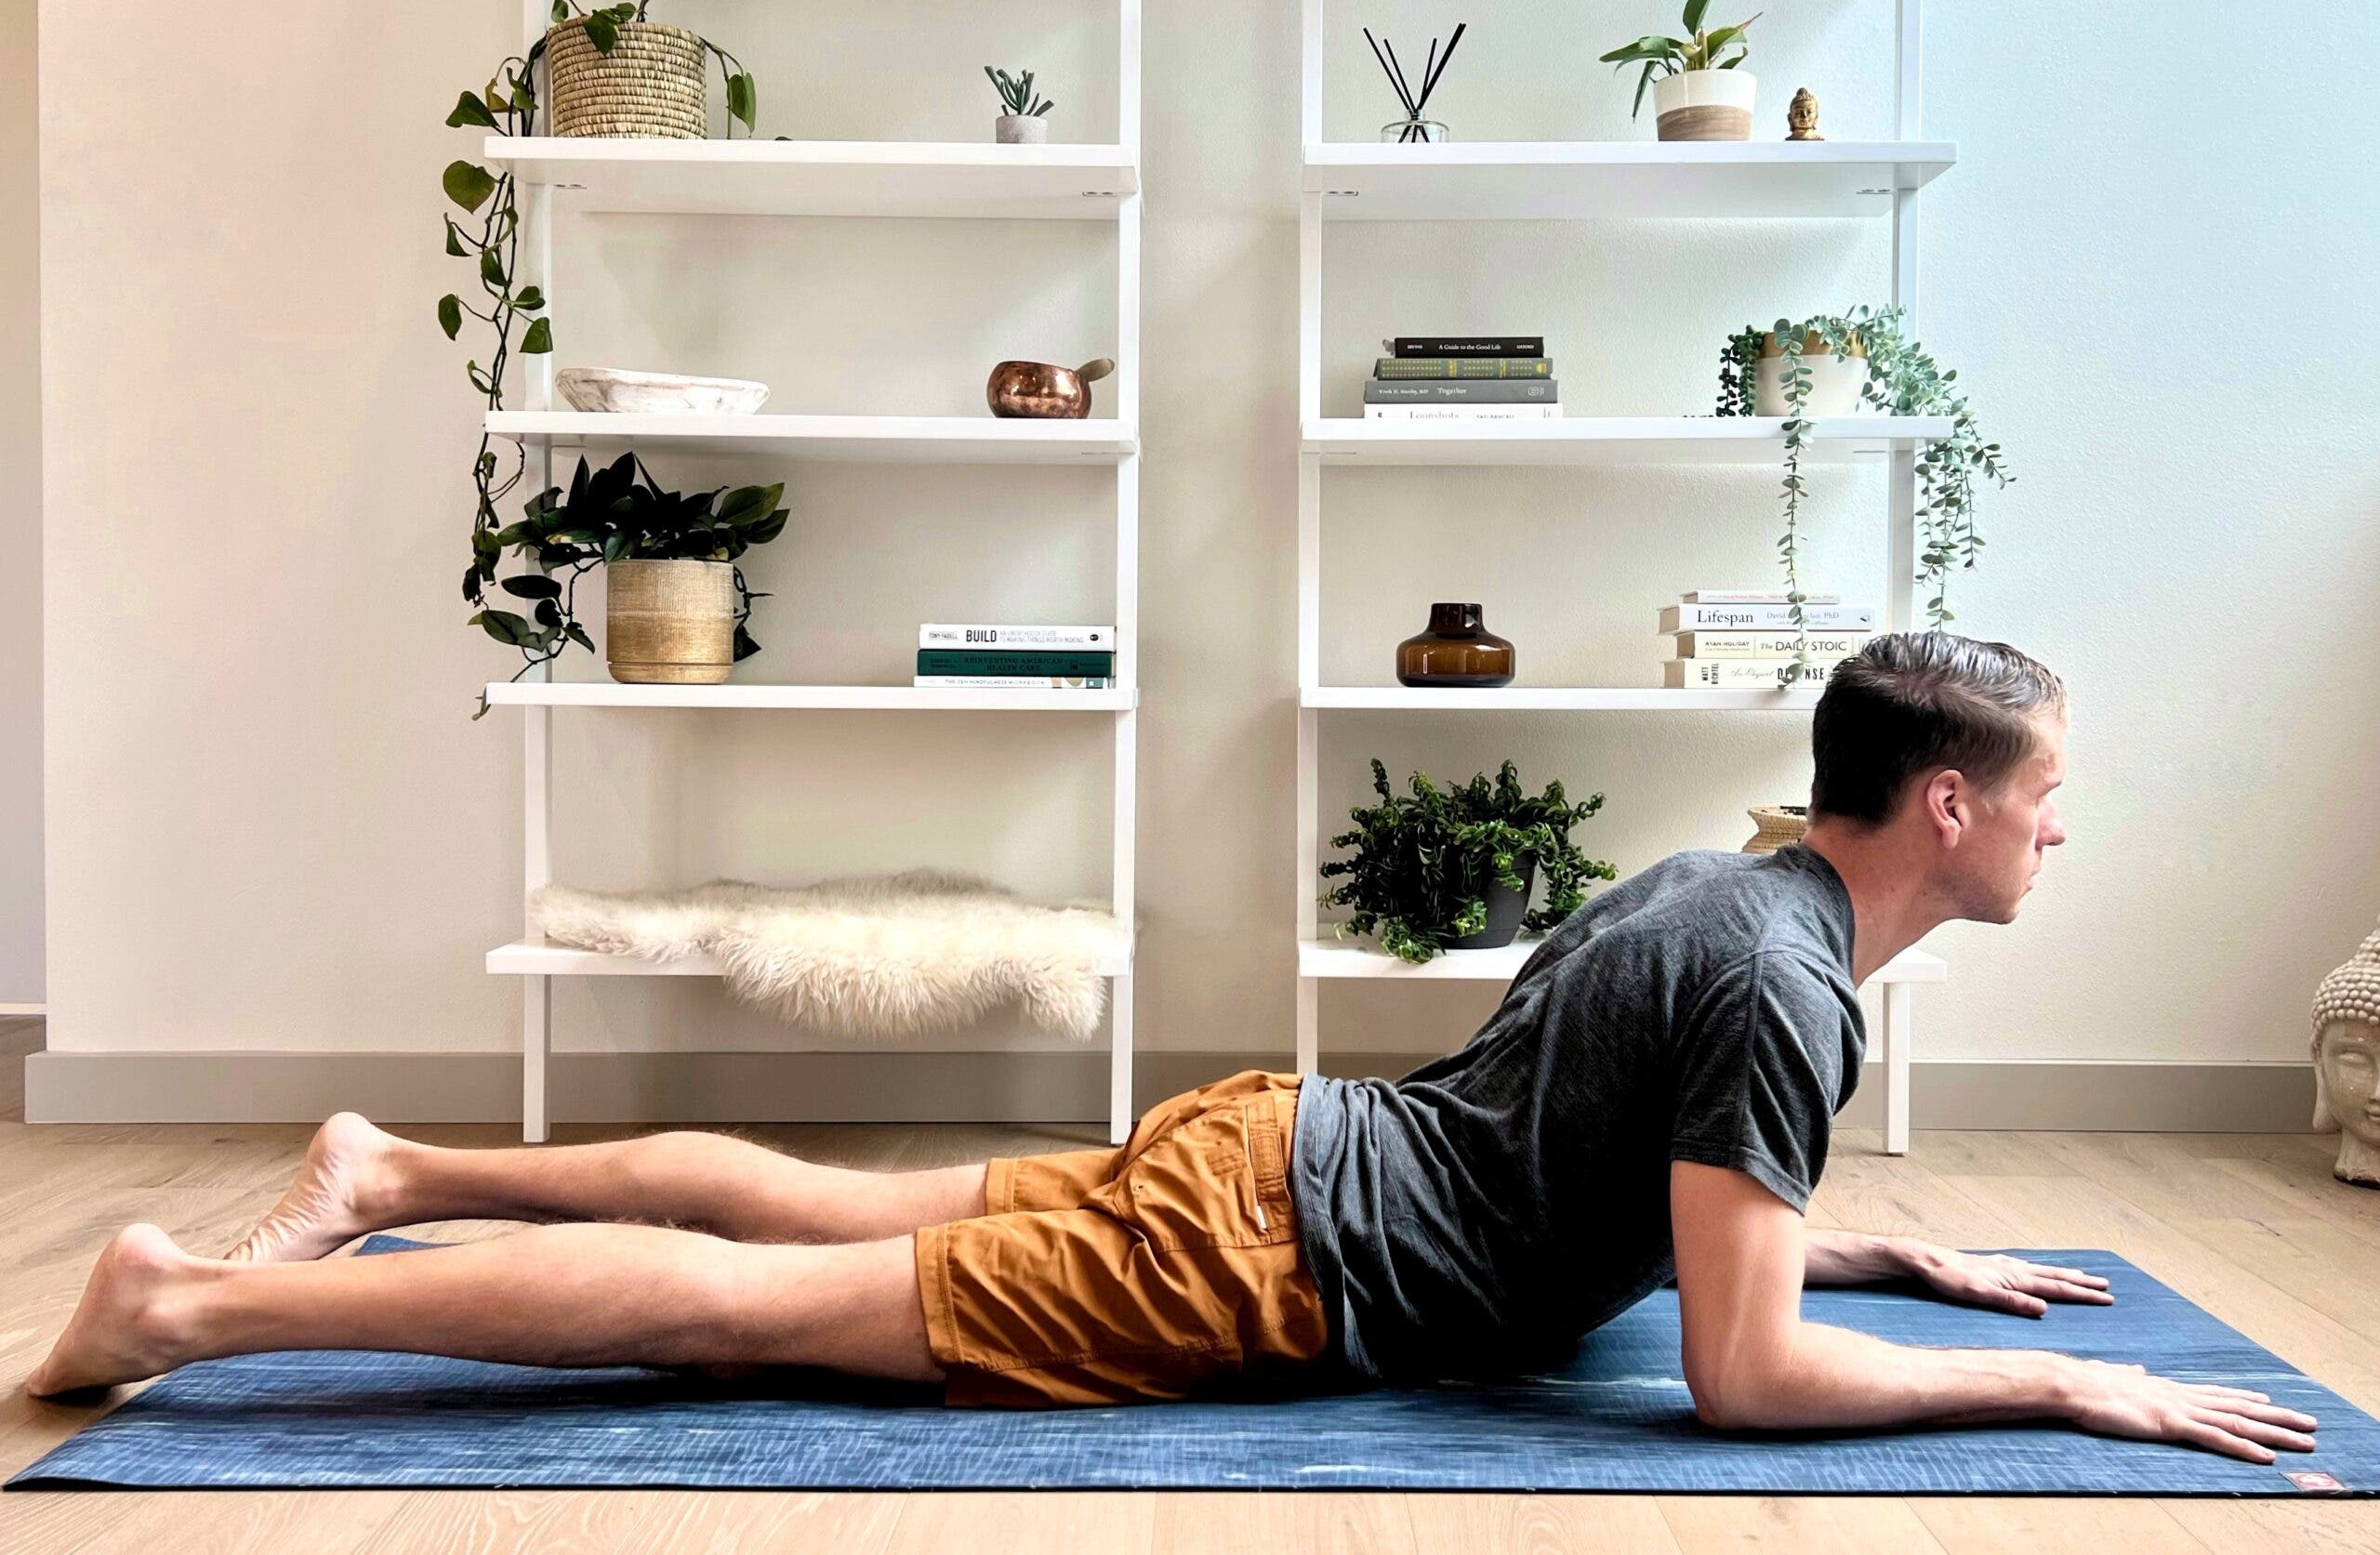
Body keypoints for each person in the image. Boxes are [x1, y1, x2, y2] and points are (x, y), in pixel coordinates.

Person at [27, 635, 2319, 1466]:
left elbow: (1619, 1176)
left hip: (1274, 1150)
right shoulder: (1788, 982)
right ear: (1944, 804)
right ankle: (190, 1308)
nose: (2059, 826)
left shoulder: (1721, 887)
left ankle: (397, 1168)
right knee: (747, 1307)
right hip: (1261, 1258)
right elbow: (1739, 1378)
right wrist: (2063, 1393)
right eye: (2042, 793)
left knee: (817, 1208)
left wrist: (1877, 1259)